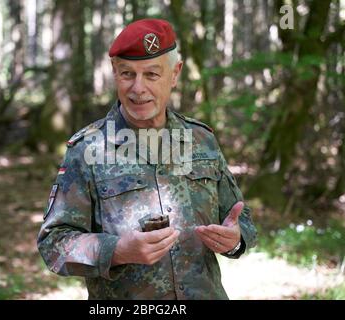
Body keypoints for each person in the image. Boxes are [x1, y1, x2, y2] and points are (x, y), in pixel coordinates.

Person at [37, 18, 257, 300]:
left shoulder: (201, 140)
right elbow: (53, 243)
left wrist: (235, 239)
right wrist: (116, 251)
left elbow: (241, 219)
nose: (138, 88)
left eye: (152, 74)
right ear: (115, 73)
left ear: (175, 74)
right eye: (128, 74)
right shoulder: (88, 148)